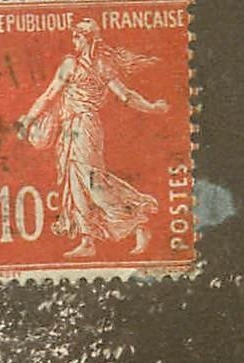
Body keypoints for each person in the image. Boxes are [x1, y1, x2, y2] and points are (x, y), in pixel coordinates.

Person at [16, 17, 170, 259]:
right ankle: (87, 240)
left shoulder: (101, 64)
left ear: (88, 39)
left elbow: (125, 95)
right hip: (69, 128)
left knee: (92, 181)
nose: (74, 41)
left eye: (77, 36)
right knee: (75, 182)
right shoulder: (70, 64)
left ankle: (136, 223)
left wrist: (151, 107)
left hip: (86, 126)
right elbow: (49, 94)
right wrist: (28, 120)